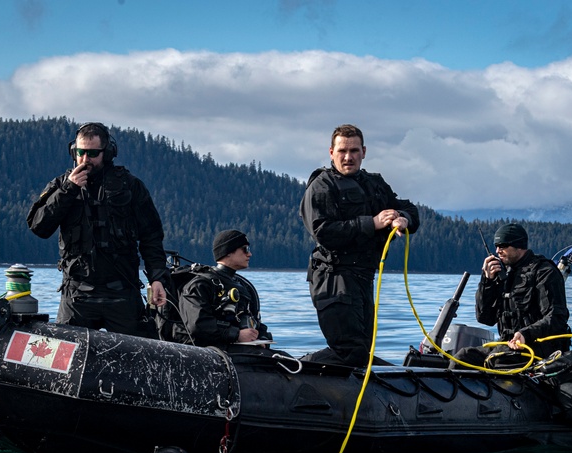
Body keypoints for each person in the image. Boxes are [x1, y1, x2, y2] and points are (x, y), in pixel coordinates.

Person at [27, 122, 168, 337]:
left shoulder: (130, 186)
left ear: (108, 153)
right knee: (64, 359)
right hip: (77, 294)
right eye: (80, 152)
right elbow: (39, 226)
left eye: (92, 153)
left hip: (122, 292)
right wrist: (68, 190)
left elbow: (151, 236)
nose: (85, 159)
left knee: (140, 359)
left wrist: (157, 278)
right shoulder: (61, 186)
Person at [299, 124, 420, 367]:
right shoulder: (322, 186)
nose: (348, 157)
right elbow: (323, 231)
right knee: (349, 350)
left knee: (363, 348)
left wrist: (402, 218)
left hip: (363, 278)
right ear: (331, 152)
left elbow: (409, 208)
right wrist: (372, 223)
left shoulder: (373, 183)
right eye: (342, 150)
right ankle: (293, 369)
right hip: (334, 278)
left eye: (354, 150)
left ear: (363, 152)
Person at [454, 223, 572, 368]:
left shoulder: (544, 272)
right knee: (462, 357)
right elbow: (485, 318)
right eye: (496, 246)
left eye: (502, 246)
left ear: (518, 246)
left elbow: (557, 317)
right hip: (507, 345)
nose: (498, 251)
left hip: (540, 348)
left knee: (497, 361)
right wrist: (487, 281)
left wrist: (525, 334)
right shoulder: (503, 274)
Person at [172, 230, 272, 348]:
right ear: (228, 252)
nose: (249, 254)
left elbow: (255, 321)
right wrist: (237, 334)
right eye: (245, 249)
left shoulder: (243, 287)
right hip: (208, 350)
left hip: (237, 347)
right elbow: (198, 324)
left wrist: (263, 339)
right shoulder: (200, 285)